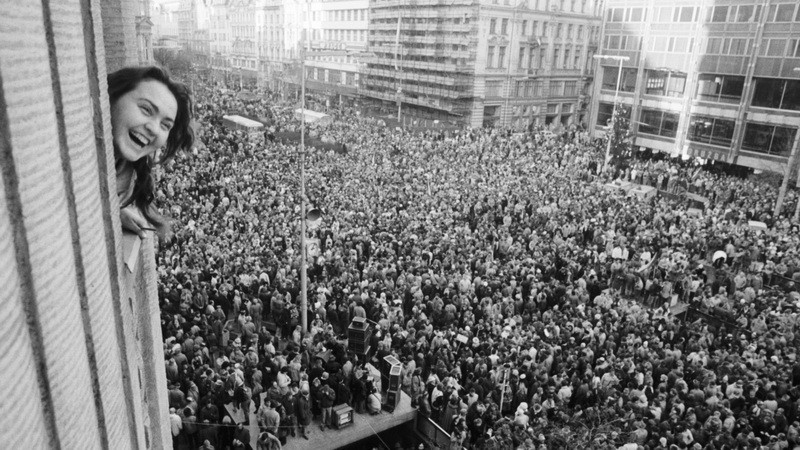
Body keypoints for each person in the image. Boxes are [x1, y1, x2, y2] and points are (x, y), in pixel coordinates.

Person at [107, 66, 193, 237]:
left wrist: (112, 210)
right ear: (111, 98)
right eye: (146, 109)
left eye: (165, 125)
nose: (154, 129)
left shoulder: (125, 179)